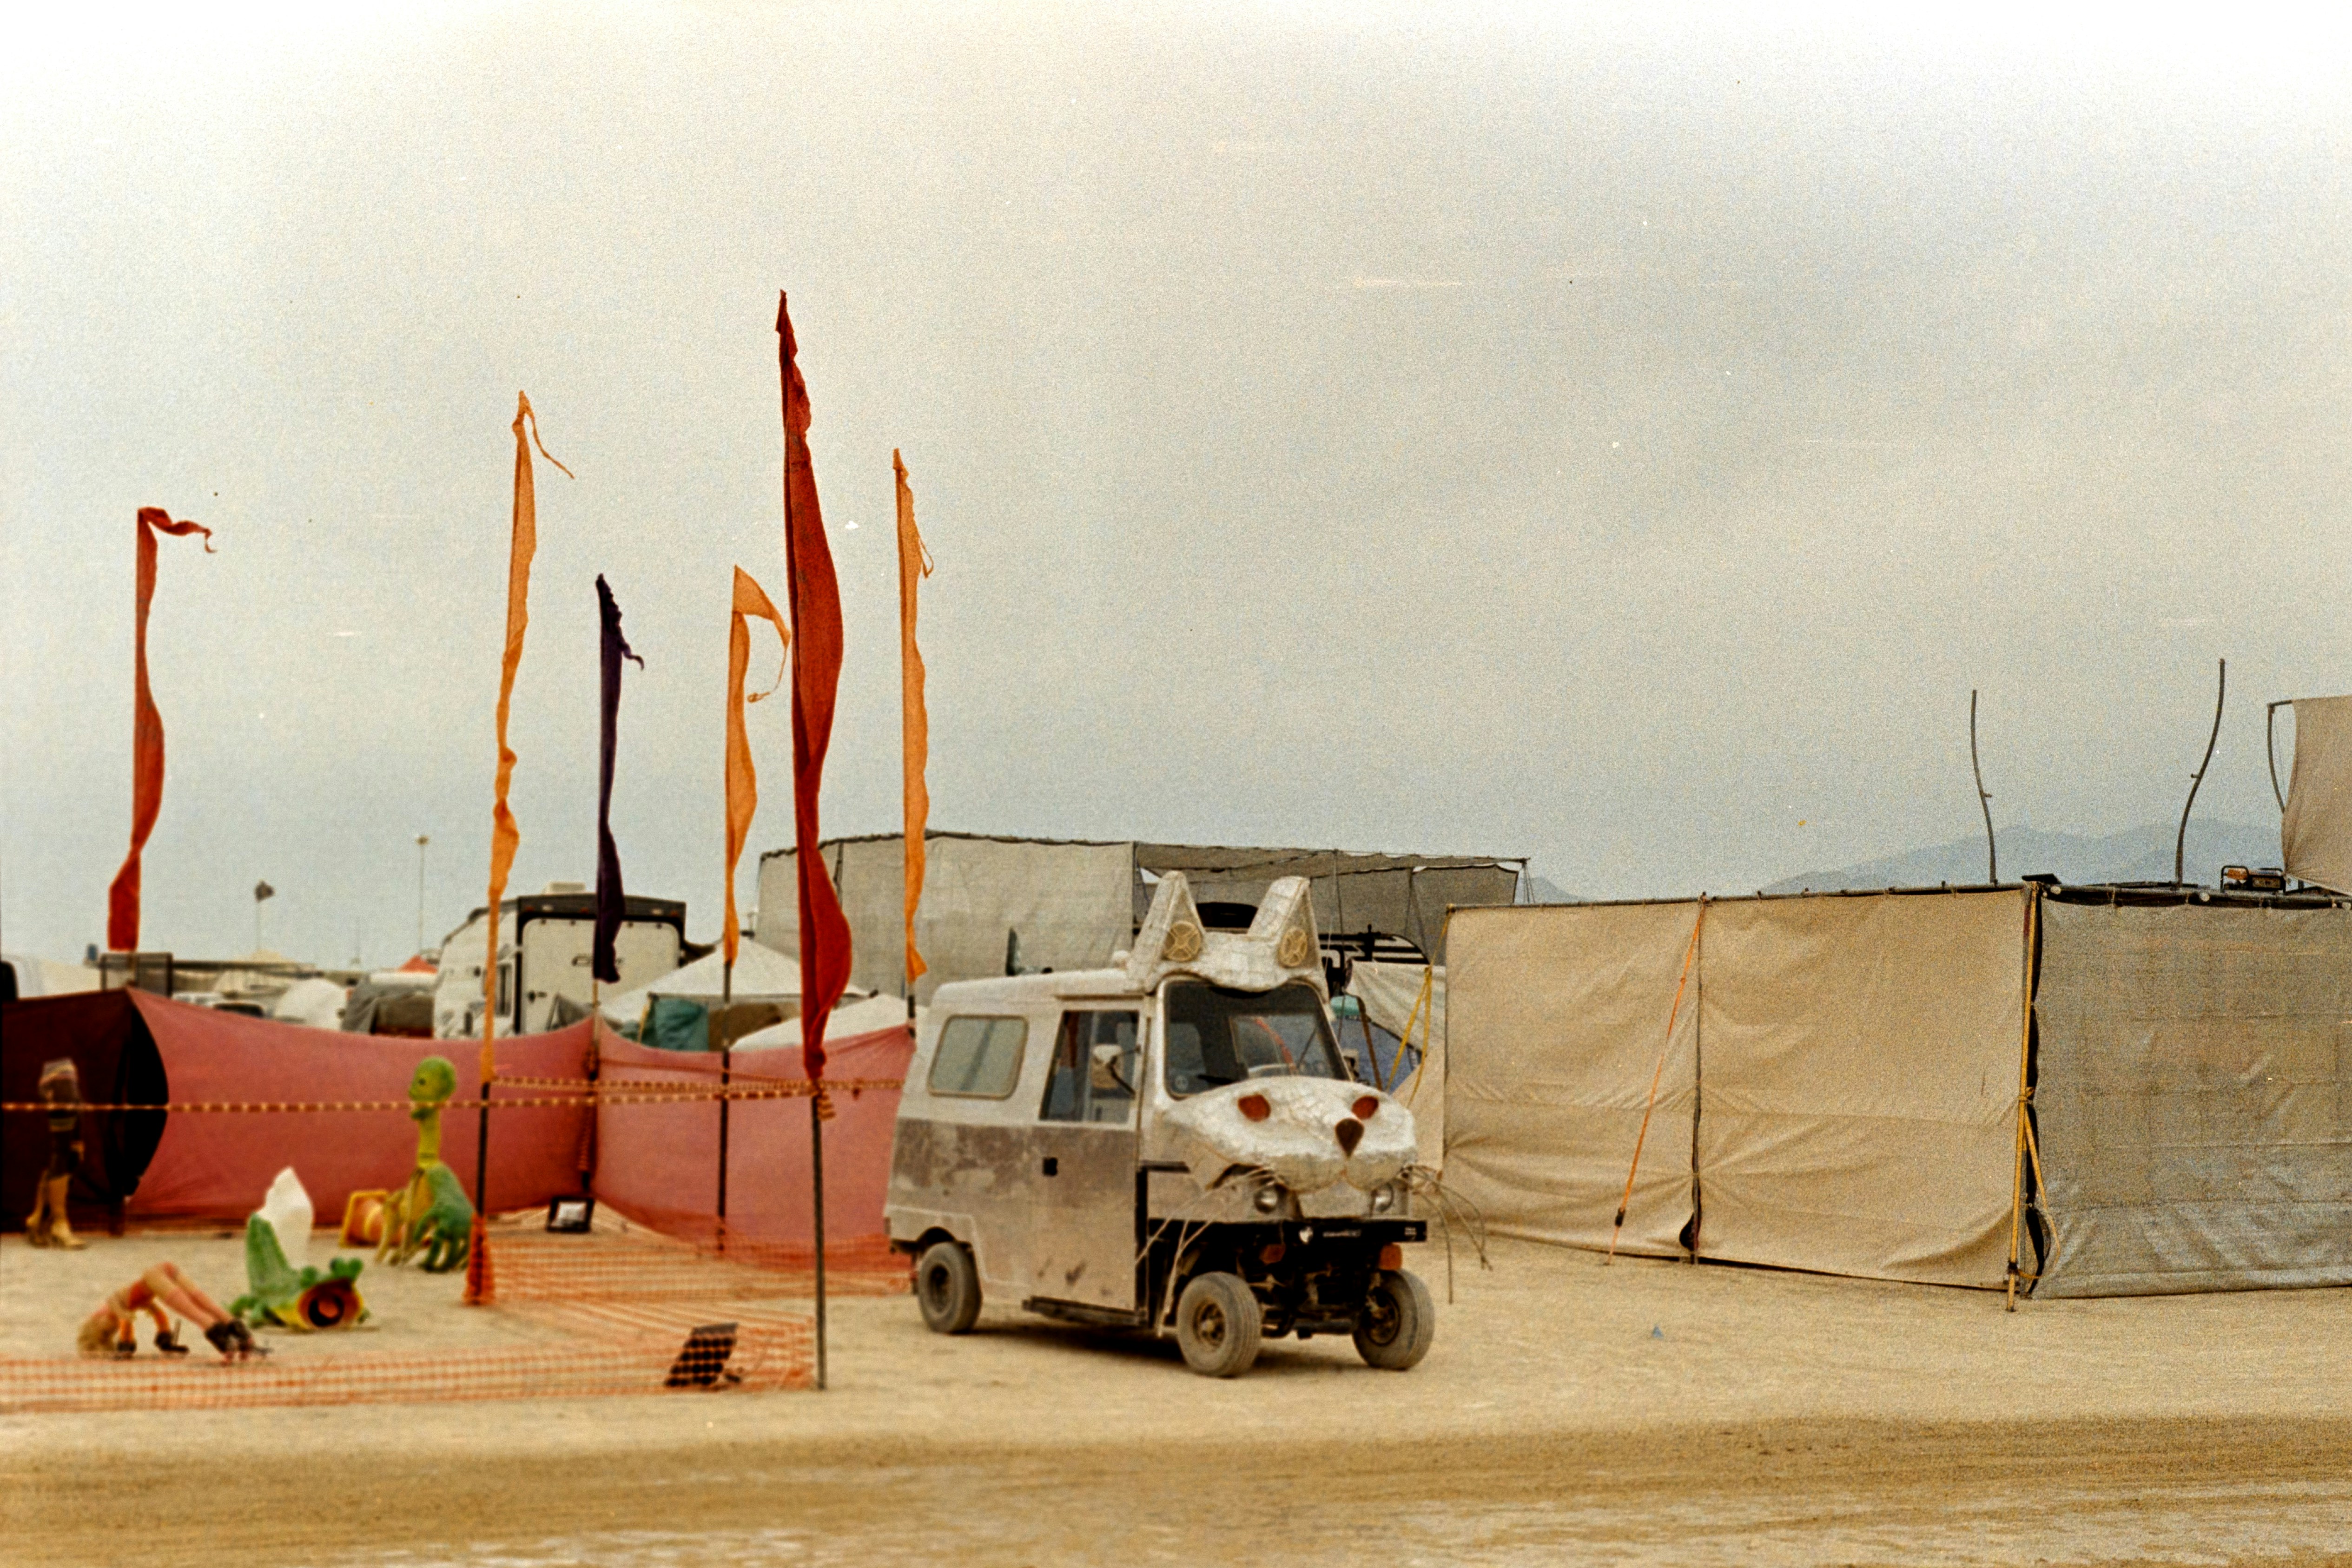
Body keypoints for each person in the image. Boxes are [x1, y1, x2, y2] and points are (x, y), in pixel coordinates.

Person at [77, 1263, 261, 1360]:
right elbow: (158, 1313)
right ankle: (244, 1335)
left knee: (194, 1313)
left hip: (153, 1278)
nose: (112, 1329)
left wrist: (126, 1347)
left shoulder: (113, 1305)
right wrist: (164, 1337)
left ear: (96, 1321)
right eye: (111, 1334)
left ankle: (225, 1342)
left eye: (106, 1331)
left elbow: (126, 1321)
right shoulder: (129, 1301)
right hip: (164, 1270)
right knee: (206, 1305)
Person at [26, 1059, 86, 1249]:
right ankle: (59, 1223)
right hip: (59, 1073)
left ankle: (37, 1219)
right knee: (62, 1152)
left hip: (67, 1070)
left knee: (70, 1153)